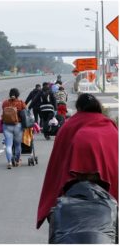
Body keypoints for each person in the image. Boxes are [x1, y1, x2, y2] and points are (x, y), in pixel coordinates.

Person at [36, 93, 118, 229]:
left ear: (79, 107)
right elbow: (114, 161)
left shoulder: (68, 127)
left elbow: (57, 163)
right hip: (107, 189)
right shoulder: (109, 126)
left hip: (73, 189)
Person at [1, 88, 27, 169]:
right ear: (18, 95)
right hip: (17, 125)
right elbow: (26, 113)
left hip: (7, 125)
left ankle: (9, 162)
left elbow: (3, 111)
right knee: (18, 145)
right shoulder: (21, 103)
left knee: (8, 145)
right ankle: (16, 160)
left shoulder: (5, 103)